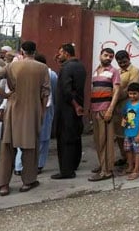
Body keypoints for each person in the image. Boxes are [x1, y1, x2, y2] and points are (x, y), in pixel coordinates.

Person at [0, 41, 50, 196]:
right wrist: (42, 112)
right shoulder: (42, 68)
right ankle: (28, 181)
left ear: (22, 51)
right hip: (33, 109)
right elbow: (45, 93)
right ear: (35, 51)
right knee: (30, 147)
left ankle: (3, 184)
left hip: (13, 107)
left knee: (7, 146)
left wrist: (3, 94)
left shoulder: (12, 66)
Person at [16, 53, 58, 174]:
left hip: (26, 109)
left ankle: (19, 166)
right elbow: (54, 91)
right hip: (45, 108)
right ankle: (38, 165)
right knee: (43, 138)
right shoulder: (51, 74)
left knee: (24, 137)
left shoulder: (22, 72)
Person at [52, 43, 87, 179]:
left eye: (60, 53)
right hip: (77, 108)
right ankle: (74, 164)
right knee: (75, 137)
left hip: (68, 109)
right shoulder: (80, 66)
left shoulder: (67, 68)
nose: (58, 55)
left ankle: (66, 170)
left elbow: (67, 90)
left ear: (66, 53)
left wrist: (75, 105)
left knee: (65, 139)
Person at [88, 48, 121, 182]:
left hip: (105, 110)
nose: (108, 58)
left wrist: (110, 109)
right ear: (100, 55)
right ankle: (103, 165)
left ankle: (106, 171)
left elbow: (117, 91)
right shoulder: (96, 71)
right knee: (98, 141)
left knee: (105, 141)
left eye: (111, 56)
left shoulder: (114, 72)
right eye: (106, 55)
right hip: (95, 110)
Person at [113, 50, 139, 167]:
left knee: (131, 134)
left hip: (130, 109)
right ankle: (124, 156)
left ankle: (134, 160)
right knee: (119, 134)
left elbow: (132, 89)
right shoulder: (117, 72)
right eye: (120, 63)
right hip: (118, 109)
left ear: (129, 58)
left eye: (124, 62)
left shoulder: (134, 71)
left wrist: (115, 97)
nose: (123, 64)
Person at [121, 83, 139, 180]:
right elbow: (124, 115)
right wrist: (123, 120)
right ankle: (130, 167)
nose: (132, 96)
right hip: (128, 132)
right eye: (130, 94)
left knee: (137, 151)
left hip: (137, 133)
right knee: (128, 150)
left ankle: (136, 170)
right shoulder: (127, 104)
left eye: (134, 94)